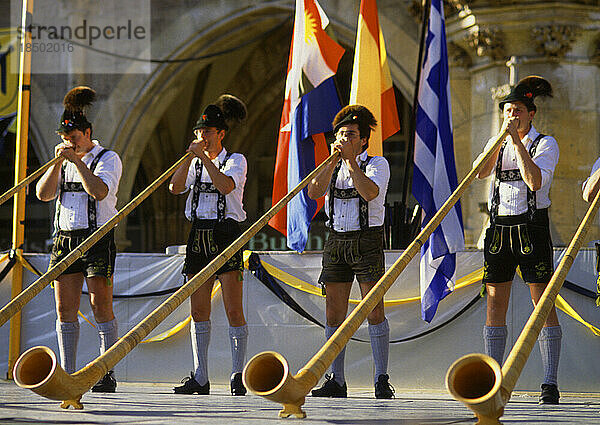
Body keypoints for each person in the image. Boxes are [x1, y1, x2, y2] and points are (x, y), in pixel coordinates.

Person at [475, 76, 561, 404]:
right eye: (508, 110)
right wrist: (502, 140)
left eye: (518, 111)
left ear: (531, 114)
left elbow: (535, 182)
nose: (512, 116)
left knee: (542, 303)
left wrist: (517, 143)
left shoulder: (545, 144)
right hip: (499, 228)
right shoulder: (497, 142)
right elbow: (479, 172)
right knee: (495, 303)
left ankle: (549, 381)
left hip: (532, 227)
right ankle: (494, 380)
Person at [36, 86, 123, 393]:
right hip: (64, 238)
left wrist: (78, 162)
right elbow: (43, 194)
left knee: (101, 306)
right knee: (65, 309)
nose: (68, 143)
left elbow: (99, 191)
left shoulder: (108, 158)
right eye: (64, 138)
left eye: (73, 138)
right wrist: (59, 163)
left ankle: (106, 370)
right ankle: (68, 373)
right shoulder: (60, 161)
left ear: (87, 134)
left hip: (97, 237)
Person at [307, 105, 394, 399]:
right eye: (341, 133)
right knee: (334, 313)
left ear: (363, 141)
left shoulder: (376, 164)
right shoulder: (330, 166)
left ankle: (381, 378)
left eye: (351, 134)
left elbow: (370, 193)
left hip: (366, 241)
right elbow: (313, 192)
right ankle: (336, 379)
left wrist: (352, 164)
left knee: (373, 309)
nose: (344, 138)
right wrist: (333, 163)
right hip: (335, 241)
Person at [169, 94, 248, 396]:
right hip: (198, 235)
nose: (202, 137)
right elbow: (175, 187)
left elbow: (226, 186)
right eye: (199, 132)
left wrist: (203, 158)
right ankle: (200, 375)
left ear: (221, 134)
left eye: (208, 132)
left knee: (232, 309)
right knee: (198, 309)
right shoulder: (195, 162)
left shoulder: (235, 160)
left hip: (226, 233)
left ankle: (237, 373)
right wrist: (190, 157)